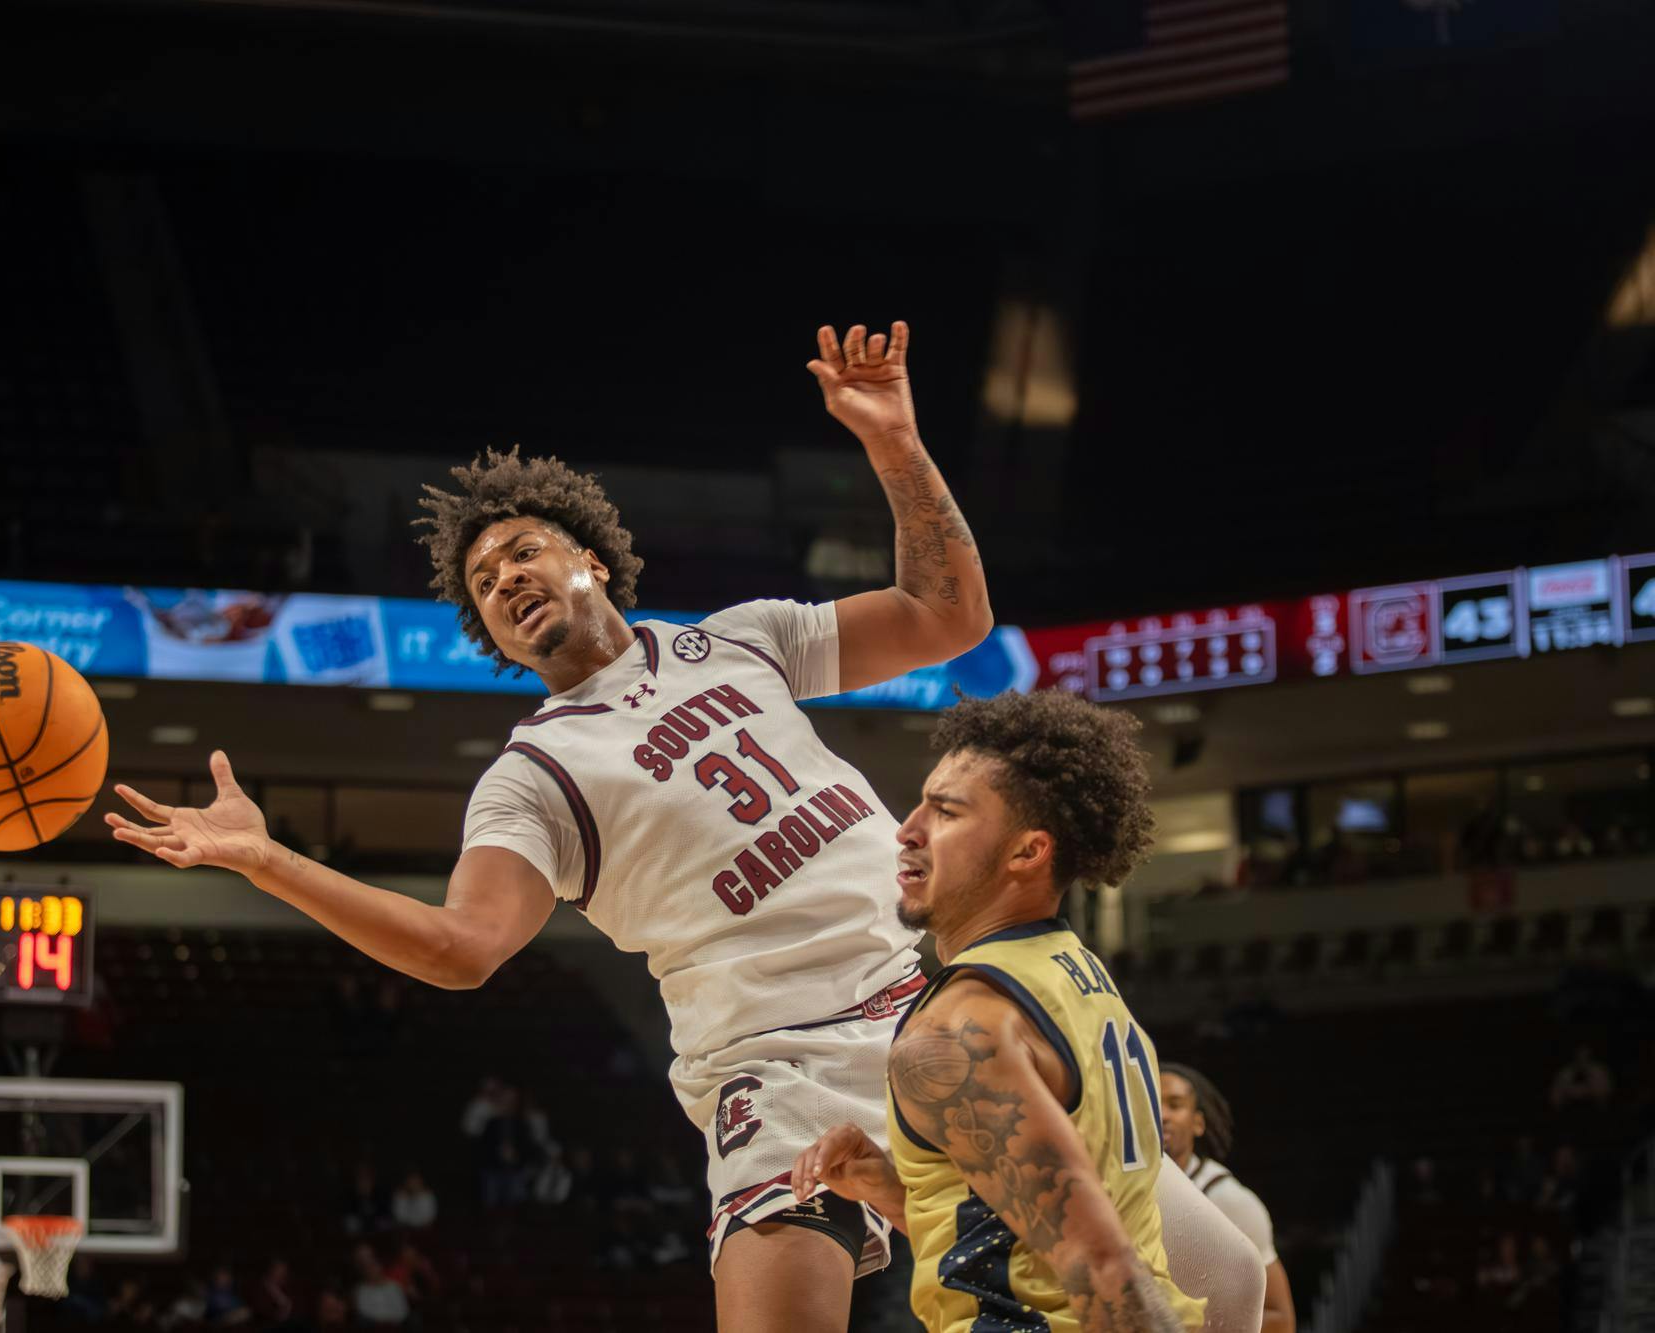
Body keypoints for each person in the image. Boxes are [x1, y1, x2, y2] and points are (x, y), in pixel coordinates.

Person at [108, 322, 995, 1331]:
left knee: (1152, 1289)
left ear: (588, 555)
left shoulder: (737, 640)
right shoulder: (530, 778)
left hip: (931, 999)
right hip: (778, 1065)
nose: (504, 581)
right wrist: (268, 860)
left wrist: (890, 440)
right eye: (484, 586)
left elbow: (946, 617)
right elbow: (460, 949)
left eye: (520, 553)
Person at [789, 693, 1266, 1332]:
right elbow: (1033, 1236)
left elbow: (1098, 1267)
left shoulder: (955, 1034)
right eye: (922, 802)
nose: (908, 828)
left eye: (947, 812)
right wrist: (904, 1194)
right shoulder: (1075, 969)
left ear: (1027, 852)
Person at [1160, 1064, 1297, 1333]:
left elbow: (1276, 1314)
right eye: (1152, 1103)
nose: (1162, 1114)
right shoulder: (1122, 1188)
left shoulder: (1229, 1200)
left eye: (1175, 1105)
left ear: (1198, 1123)